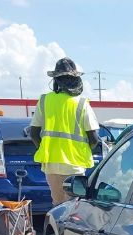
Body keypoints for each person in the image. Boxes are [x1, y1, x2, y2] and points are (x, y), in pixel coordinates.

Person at [29, 58, 100, 206]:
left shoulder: (44, 101)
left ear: (56, 80)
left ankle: (57, 229)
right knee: (74, 207)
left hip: (52, 165)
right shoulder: (81, 103)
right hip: (74, 165)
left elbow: (34, 133)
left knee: (58, 205)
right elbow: (94, 139)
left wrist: (45, 149)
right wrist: (84, 150)